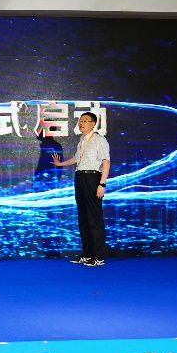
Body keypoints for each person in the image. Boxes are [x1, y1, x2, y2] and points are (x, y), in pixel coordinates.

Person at [50, 111, 111, 266]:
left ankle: (98, 256)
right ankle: (87, 254)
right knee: (83, 218)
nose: (81, 123)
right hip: (80, 177)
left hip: (92, 178)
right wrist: (60, 164)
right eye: (80, 121)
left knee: (94, 218)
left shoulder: (99, 140)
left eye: (85, 120)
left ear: (93, 124)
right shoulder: (82, 141)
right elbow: (77, 158)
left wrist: (102, 184)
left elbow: (106, 162)